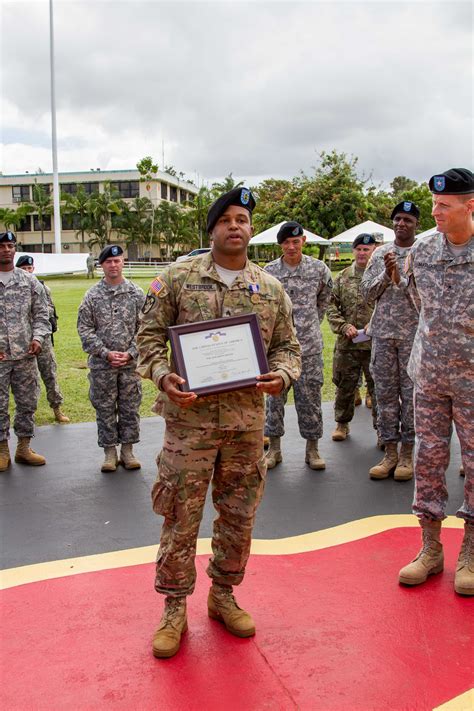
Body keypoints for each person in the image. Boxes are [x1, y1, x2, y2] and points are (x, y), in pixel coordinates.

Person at [136, 188, 301, 659]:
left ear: (251, 229)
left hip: (247, 423)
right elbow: (147, 336)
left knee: (238, 514)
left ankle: (223, 594)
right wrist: (162, 374)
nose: (235, 226)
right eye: (225, 219)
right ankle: (173, 607)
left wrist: (283, 374)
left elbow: (289, 346)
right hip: (189, 424)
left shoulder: (270, 287)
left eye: (243, 219)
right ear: (212, 229)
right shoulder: (178, 278)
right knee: (180, 515)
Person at [397, 168, 473, 596]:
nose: (435, 211)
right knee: (428, 458)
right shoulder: (422, 251)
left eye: (444, 205)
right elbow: (417, 303)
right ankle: (430, 548)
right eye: (433, 203)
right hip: (428, 377)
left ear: (470, 206)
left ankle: (472, 550)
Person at [263, 221, 332, 470]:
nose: (291, 246)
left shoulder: (319, 269)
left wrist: (310, 323)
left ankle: (312, 450)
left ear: (303, 241)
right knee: (274, 400)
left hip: (308, 347)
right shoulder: (269, 272)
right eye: (286, 242)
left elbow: (324, 300)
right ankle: (274, 449)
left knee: (310, 398)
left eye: (295, 241)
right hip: (277, 349)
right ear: (280, 244)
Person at [361, 201, 421, 480]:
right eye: (397, 219)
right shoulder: (380, 253)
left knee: (410, 397)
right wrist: (386, 274)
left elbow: (424, 298)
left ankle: (408, 454)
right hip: (383, 335)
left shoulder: (423, 253)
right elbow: (367, 294)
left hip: (412, 337)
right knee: (384, 395)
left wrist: (400, 278)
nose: (401, 224)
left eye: (407, 219)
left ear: (416, 224)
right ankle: (390, 453)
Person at [77, 245, 145, 472]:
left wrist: (131, 353)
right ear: (101, 265)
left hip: (129, 364)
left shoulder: (136, 293)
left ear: (123, 262)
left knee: (130, 407)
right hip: (101, 365)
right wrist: (104, 352)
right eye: (109, 262)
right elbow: (84, 328)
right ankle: (109, 452)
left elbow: (145, 328)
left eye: (117, 261)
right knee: (104, 407)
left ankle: (127, 450)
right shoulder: (92, 295)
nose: (113, 265)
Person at [0, 232, 50, 470]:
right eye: (2, 246)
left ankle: (23, 448)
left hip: (25, 356)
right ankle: (2, 450)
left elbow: (42, 315)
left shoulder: (29, 281)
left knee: (27, 403)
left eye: (10, 246)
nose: (6, 250)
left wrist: (38, 338)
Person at [326, 233, 377, 441]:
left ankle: (383, 431)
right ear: (353, 250)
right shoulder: (342, 277)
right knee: (345, 387)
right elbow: (330, 306)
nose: (362, 252)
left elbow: (390, 306)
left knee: (379, 389)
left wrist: (375, 324)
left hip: (375, 344)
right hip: (348, 344)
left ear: (374, 250)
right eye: (359, 249)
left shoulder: (379, 276)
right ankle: (342, 424)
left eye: (367, 249)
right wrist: (344, 325)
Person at [16, 255, 70, 424]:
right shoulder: (14, 288)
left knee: (50, 374)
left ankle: (57, 408)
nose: (27, 271)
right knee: (29, 379)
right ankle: (29, 412)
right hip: (23, 340)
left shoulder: (42, 288)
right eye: (24, 268)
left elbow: (50, 312)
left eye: (29, 268)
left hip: (44, 340)